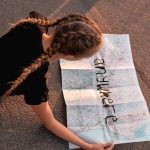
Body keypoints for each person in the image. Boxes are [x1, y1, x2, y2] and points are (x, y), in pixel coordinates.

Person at [0, 11, 114, 150]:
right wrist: (87, 146)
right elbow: (49, 122)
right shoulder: (35, 78)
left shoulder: (33, 25)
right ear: (70, 57)